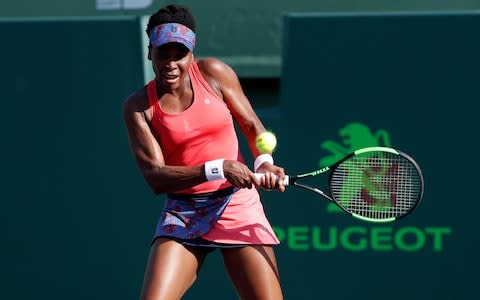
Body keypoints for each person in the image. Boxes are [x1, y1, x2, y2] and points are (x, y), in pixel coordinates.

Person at [123, 4, 286, 300]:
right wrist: (219, 167)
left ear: (191, 54)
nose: (171, 64)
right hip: (184, 212)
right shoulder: (138, 106)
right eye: (163, 54)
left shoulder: (215, 73)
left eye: (179, 55)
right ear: (150, 53)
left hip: (237, 205)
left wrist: (264, 162)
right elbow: (155, 177)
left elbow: (252, 125)